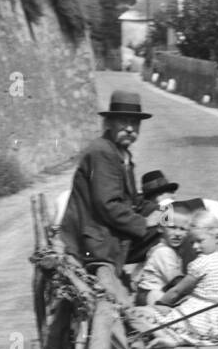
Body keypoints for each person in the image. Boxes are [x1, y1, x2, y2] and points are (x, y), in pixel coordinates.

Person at [58, 90, 160, 309]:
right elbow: (108, 205)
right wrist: (145, 223)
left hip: (109, 234)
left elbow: (134, 203)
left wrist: (167, 212)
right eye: (124, 122)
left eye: (135, 123)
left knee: (173, 226)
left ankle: (148, 287)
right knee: (164, 236)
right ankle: (149, 291)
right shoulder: (102, 152)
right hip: (95, 241)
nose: (131, 129)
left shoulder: (122, 154)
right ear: (109, 123)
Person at [154, 211, 218, 342]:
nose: (195, 247)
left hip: (196, 317)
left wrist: (160, 304)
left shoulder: (202, 262)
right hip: (216, 325)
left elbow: (178, 291)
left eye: (199, 241)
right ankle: (175, 338)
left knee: (140, 315)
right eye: (192, 243)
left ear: (217, 238)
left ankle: (166, 337)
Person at [134, 206, 188, 306]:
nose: (177, 233)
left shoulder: (168, 250)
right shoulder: (164, 252)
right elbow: (175, 280)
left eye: (182, 229)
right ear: (160, 228)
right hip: (150, 295)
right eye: (172, 227)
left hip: (153, 293)